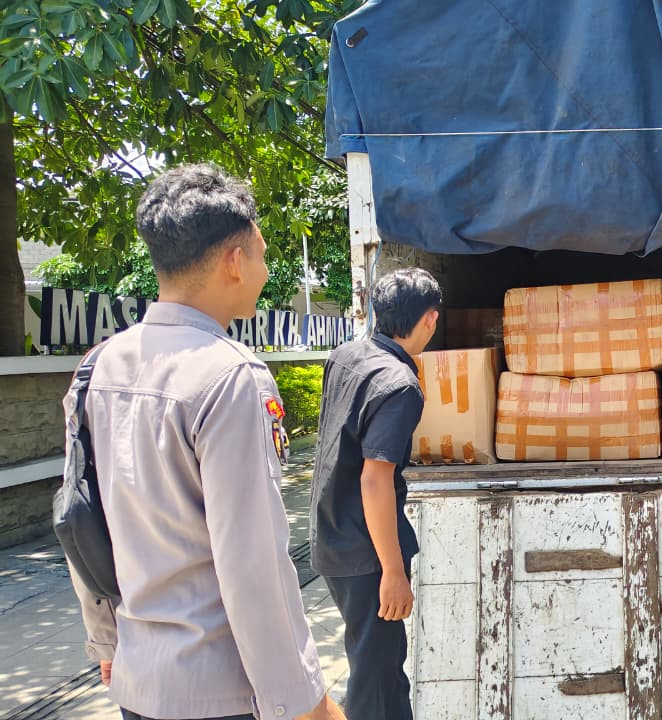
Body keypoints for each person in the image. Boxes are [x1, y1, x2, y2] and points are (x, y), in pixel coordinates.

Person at [66, 164, 344, 720]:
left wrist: (104, 639)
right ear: (234, 262)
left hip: (139, 679)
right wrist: (304, 700)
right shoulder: (231, 377)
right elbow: (253, 567)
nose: (267, 271)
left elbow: (78, 516)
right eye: (262, 255)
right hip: (222, 692)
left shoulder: (99, 366)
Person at [310, 268, 441, 720]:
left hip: (332, 535)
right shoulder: (401, 386)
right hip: (365, 552)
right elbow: (374, 478)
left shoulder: (347, 355)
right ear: (429, 320)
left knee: (372, 666)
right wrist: (391, 571)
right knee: (380, 676)